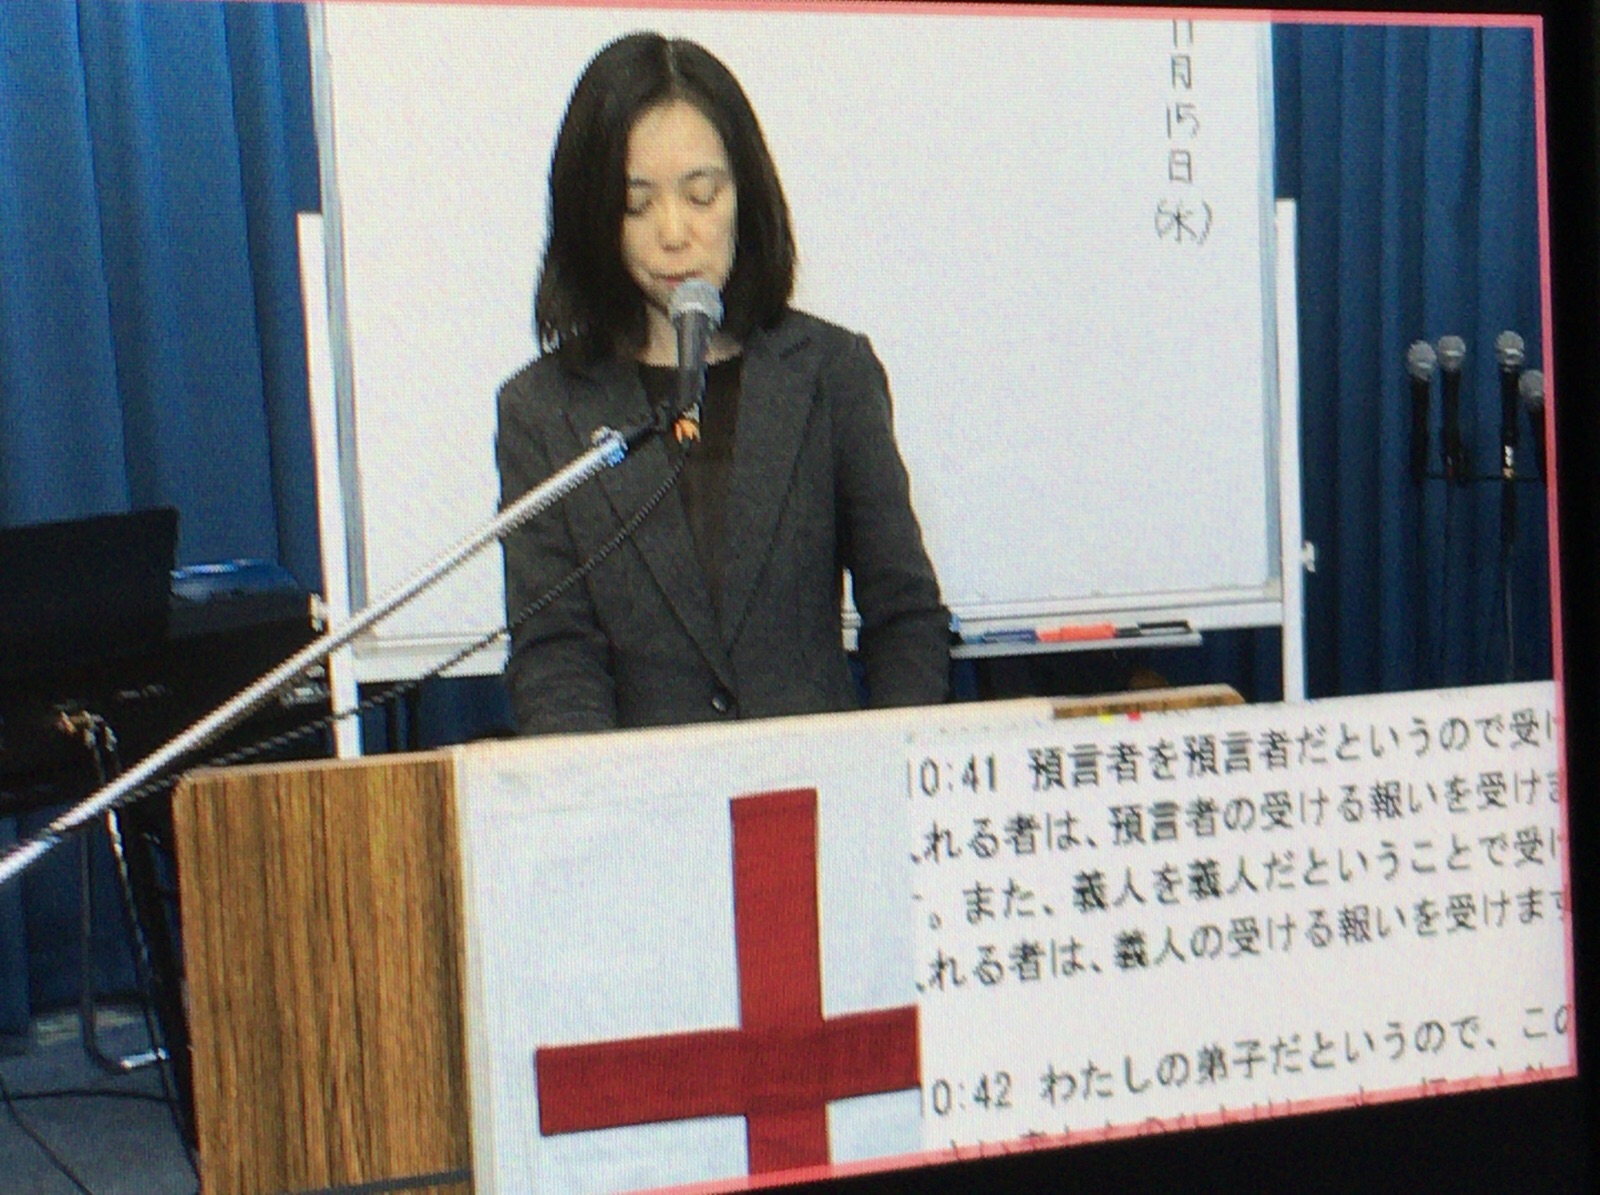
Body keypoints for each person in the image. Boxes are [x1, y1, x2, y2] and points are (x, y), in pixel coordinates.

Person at [497, 32, 948, 736]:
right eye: (636, 205)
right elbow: (556, 656)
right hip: (640, 798)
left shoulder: (830, 372)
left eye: (701, 195)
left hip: (817, 790)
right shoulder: (542, 410)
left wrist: (891, 767)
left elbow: (904, 614)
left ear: (745, 193)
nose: (674, 232)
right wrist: (598, 793)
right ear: (592, 215)